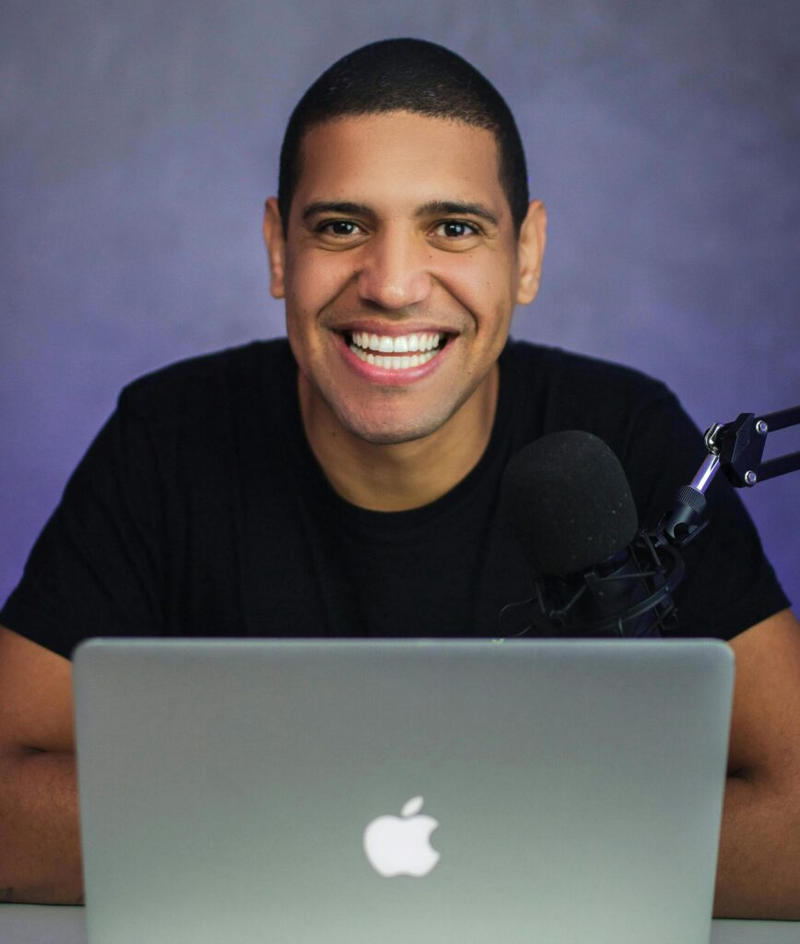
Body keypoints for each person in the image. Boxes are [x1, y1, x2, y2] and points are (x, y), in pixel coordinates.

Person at [0, 38, 798, 915]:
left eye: (453, 228)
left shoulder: (624, 437)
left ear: (527, 254)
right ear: (278, 249)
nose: (392, 285)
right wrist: (490, 840)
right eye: (342, 227)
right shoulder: (169, 436)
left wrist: (287, 832)